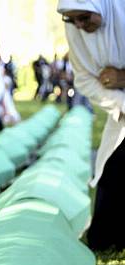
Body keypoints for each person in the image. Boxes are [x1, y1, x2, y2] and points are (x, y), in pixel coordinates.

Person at [58, 0, 125, 251]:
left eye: (84, 17)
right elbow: (85, 79)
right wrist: (122, 101)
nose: (78, 25)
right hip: (121, 111)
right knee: (112, 168)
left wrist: (121, 77)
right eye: (71, 19)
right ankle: (108, 238)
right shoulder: (77, 28)